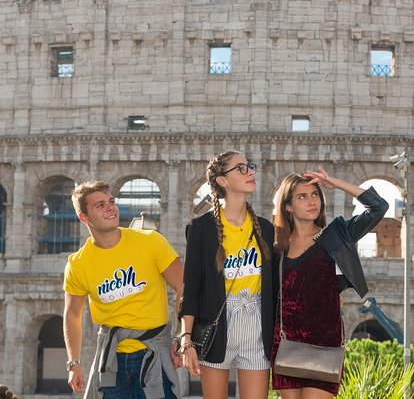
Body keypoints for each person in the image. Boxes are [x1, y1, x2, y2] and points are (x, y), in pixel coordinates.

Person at [271, 167, 389, 399]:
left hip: (324, 341)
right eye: (302, 197)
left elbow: (379, 207)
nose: (311, 201)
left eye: (315, 194)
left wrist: (335, 184)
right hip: (285, 339)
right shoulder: (277, 247)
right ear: (287, 206)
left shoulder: (336, 234)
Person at [63, 180, 183, 399]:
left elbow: (183, 286)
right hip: (112, 359)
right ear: (84, 217)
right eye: (100, 205)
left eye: (111, 201)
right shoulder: (77, 263)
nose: (111, 207)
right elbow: (72, 314)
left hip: (154, 350)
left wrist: (180, 336)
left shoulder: (151, 241)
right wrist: (74, 363)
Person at [178, 151, 275, 399]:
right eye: (241, 168)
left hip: (257, 323)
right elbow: (191, 291)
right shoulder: (201, 228)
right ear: (222, 180)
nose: (250, 172)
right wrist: (186, 339)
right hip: (216, 323)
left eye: (250, 166)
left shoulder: (265, 228)